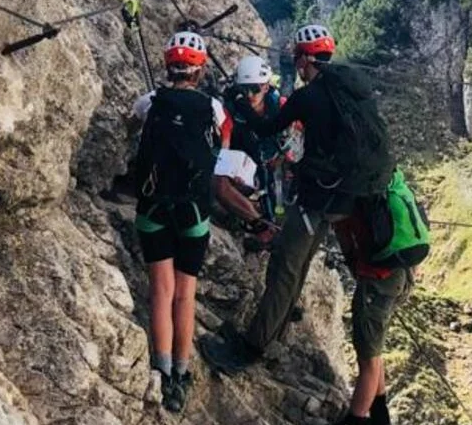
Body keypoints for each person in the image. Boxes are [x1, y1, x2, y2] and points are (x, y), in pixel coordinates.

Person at [200, 24, 393, 372]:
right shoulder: (352, 86)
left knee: (285, 269)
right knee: (298, 265)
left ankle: (251, 348)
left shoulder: (308, 96)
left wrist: (240, 101)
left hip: (317, 199)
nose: (296, 66)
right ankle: (275, 335)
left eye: (297, 59)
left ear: (305, 58)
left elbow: (265, 128)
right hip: (348, 198)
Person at [131, 31, 263, 412]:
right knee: (185, 293)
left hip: (153, 207)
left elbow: (133, 129)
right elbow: (220, 153)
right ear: (200, 70)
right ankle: (183, 375)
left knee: (160, 290)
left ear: (168, 64)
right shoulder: (215, 109)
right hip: (194, 211)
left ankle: (163, 368)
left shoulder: (149, 102)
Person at [332, 198, 412, 425]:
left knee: (367, 359)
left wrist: (358, 270)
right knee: (373, 349)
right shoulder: (385, 185)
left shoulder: (349, 192)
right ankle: (380, 416)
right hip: (400, 274)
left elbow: (346, 240)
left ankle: (355, 419)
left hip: (377, 280)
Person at [223, 55, 288, 248]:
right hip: (243, 162)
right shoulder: (231, 110)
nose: (250, 95)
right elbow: (225, 144)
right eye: (245, 90)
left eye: (255, 89)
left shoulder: (280, 105)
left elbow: (300, 131)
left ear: (266, 87)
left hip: (273, 158)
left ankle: (277, 225)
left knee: (278, 191)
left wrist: (286, 156)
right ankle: (258, 227)